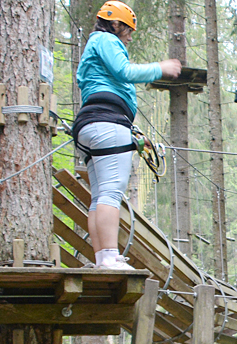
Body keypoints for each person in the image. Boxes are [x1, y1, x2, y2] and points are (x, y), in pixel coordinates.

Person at [73, 0, 181, 270]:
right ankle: (110, 256)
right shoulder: (105, 40)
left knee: (99, 196)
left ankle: (102, 258)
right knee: (111, 193)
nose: (130, 38)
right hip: (107, 124)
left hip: (92, 126)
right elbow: (125, 71)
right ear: (117, 24)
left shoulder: (94, 48)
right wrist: (160, 68)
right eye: (129, 31)